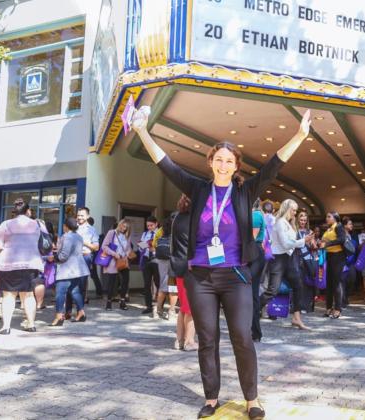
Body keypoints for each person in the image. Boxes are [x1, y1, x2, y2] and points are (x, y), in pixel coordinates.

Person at [132, 105, 312, 419]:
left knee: (242, 336)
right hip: (200, 278)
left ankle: (252, 399)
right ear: (211, 163)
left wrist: (299, 135)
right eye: (219, 159)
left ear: (236, 166)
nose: (223, 164)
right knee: (207, 340)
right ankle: (211, 398)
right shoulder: (198, 189)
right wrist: (142, 131)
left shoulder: (245, 191)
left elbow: (273, 165)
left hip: (235, 276)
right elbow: (166, 164)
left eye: (229, 160)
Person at [0, 199, 45, 334]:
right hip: (31, 264)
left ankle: (6, 327)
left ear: (14, 211)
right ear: (28, 211)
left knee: (9, 295)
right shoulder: (37, 224)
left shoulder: (6, 224)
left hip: (10, 264)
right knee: (29, 295)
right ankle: (31, 324)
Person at [260, 199, 313, 330]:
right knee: (273, 290)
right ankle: (252, 309)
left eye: (295, 210)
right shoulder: (280, 223)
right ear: (287, 209)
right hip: (278, 259)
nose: (295, 213)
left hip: (287, 258)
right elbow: (285, 244)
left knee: (298, 286)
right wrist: (303, 240)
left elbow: (289, 244)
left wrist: (302, 241)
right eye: (293, 210)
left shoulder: (287, 223)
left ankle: (296, 318)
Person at [50, 217, 89, 326]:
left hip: (66, 270)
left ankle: (59, 316)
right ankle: (81, 312)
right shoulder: (79, 236)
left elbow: (63, 256)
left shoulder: (67, 237)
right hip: (77, 269)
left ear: (66, 226)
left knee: (60, 292)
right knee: (74, 291)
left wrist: (54, 257)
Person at [171, 194, 197, 350]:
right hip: (193, 267)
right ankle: (189, 341)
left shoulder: (177, 217)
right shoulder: (195, 219)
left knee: (183, 306)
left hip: (178, 265)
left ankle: (179, 340)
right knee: (191, 308)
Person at [101, 219, 132, 311]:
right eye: (122, 225)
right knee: (112, 282)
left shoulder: (127, 235)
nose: (123, 228)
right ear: (119, 224)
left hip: (123, 260)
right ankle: (109, 302)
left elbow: (128, 248)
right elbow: (104, 246)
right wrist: (114, 254)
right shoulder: (112, 233)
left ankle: (122, 301)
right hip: (113, 260)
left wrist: (127, 254)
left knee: (125, 281)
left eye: (126, 227)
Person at [320, 212, 346, 319]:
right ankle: (329, 308)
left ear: (335, 218)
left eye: (329, 216)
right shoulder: (329, 229)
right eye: (326, 216)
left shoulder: (338, 226)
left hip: (338, 256)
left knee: (336, 283)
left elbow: (342, 239)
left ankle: (338, 309)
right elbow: (325, 241)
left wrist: (327, 244)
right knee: (329, 283)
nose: (326, 218)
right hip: (329, 256)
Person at [153, 217, 178, 320]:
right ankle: (171, 311)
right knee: (173, 288)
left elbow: (154, 246)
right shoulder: (176, 238)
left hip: (161, 261)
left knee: (163, 286)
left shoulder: (160, 236)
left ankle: (158, 310)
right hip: (172, 262)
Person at [249, 199, 266, 342]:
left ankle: (255, 330)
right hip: (254, 253)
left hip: (253, 253)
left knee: (251, 292)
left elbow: (252, 238)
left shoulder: (255, 215)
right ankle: (253, 330)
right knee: (250, 292)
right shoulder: (255, 214)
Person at [297, 210, 318, 312]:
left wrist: (312, 242)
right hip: (297, 259)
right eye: (301, 220)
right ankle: (298, 306)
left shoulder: (309, 231)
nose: (303, 222)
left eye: (304, 220)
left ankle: (307, 306)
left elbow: (314, 247)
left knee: (307, 283)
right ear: (298, 220)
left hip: (307, 260)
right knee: (298, 283)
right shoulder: (294, 231)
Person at [139, 216, 160, 316]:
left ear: (156, 224)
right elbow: (140, 247)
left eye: (151, 225)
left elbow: (163, 246)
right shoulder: (145, 234)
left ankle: (159, 305)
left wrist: (154, 249)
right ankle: (148, 306)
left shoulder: (160, 233)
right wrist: (144, 246)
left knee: (158, 282)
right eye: (148, 226)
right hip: (146, 259)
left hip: (157, 260)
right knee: (146, 284)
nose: (149, 227)